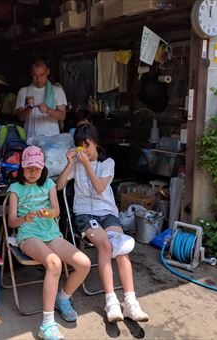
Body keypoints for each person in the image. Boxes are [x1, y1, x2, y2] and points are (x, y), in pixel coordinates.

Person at [56, 124, 149, 323]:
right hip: (85, 215)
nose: (85, 151)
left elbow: (99, 187)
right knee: (106, 244)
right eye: (80, 146)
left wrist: (87, 165)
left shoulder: (108, 163)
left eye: (87, 145)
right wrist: (70, 164)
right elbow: (60, 185)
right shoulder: (78, 164)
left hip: (107, 213)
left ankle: (131, 302)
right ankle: (111, 301)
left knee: (121, 248)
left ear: (96, 142)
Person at [7, 146, 91, 340]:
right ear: (22, 167)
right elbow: (11, 221)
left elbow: (56, 210)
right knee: (54, 263)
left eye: (36, 168)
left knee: (84, 263)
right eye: (29, 168)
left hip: (51, 233)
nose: (33, 172)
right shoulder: (15, 189)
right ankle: (46, 324)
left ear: (43, 167)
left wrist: (51, 213)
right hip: (28, 235)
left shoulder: (49, 185)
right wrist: (24, 219)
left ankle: (63, 298)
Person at [16, 59, 67, 139]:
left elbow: (62, 116)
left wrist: (48, 110)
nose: (39, 79)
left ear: (48, 72)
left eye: (42, 75)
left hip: (52, 141)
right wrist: (29, 108)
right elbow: (20, 117)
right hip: (30, 140)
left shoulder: (57, 91)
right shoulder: (23, 92)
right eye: (35, 75)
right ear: (31, 73)